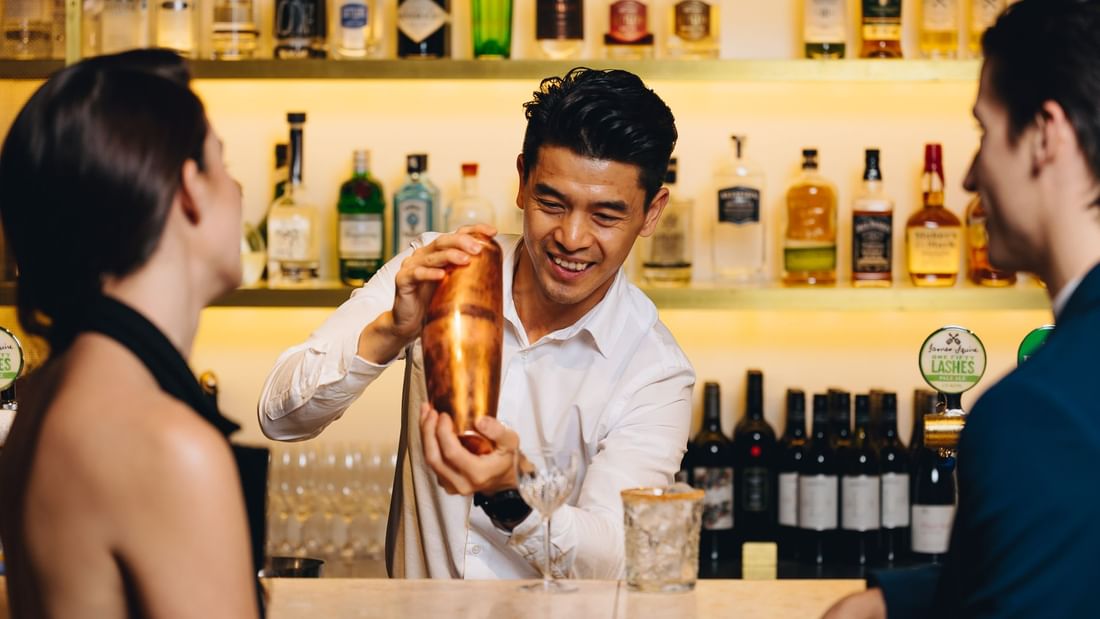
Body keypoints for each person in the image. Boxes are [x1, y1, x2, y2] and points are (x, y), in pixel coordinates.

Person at [259, 68, 695, 579]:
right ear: (521, 181)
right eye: (551, 203)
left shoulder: (654, 370)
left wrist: (512, 495)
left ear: (651, 213)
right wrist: (390, 331)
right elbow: (280, 417)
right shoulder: (437, 269)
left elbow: (616, 554)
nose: (572, 237)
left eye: (605, 216)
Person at [825, 1, 1100, 617]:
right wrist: (895, 600)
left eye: (985, 131)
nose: (972, 176)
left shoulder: (1034, 414)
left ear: (1045, 136)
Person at [0, 50, 261, 618]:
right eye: (224, 164)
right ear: (188, 189)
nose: (239, 192)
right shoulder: (167, 446)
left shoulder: (45, 394)